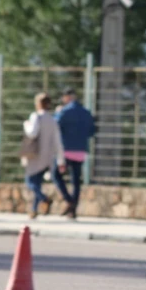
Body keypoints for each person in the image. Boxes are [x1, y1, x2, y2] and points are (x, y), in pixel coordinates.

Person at [52, 87, 95, 219]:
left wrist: (57, 113)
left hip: (65, 150)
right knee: (76, 180)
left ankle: (69, 200)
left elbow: (55, 126)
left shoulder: (64, 111)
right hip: (80, 151)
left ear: (68, 97)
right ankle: (73, 209)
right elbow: (92, 131)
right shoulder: (86, 112)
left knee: (56, 175)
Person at [22, 93, 66, 220]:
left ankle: (44, 198)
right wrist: (60, 159)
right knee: (37, 183)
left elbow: (32, 133)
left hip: (35, 155)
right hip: (47, 157)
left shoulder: (36, 117)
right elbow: (58, 142)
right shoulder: (53, 120)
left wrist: (26, 124)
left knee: (30, 182)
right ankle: (34, 210)